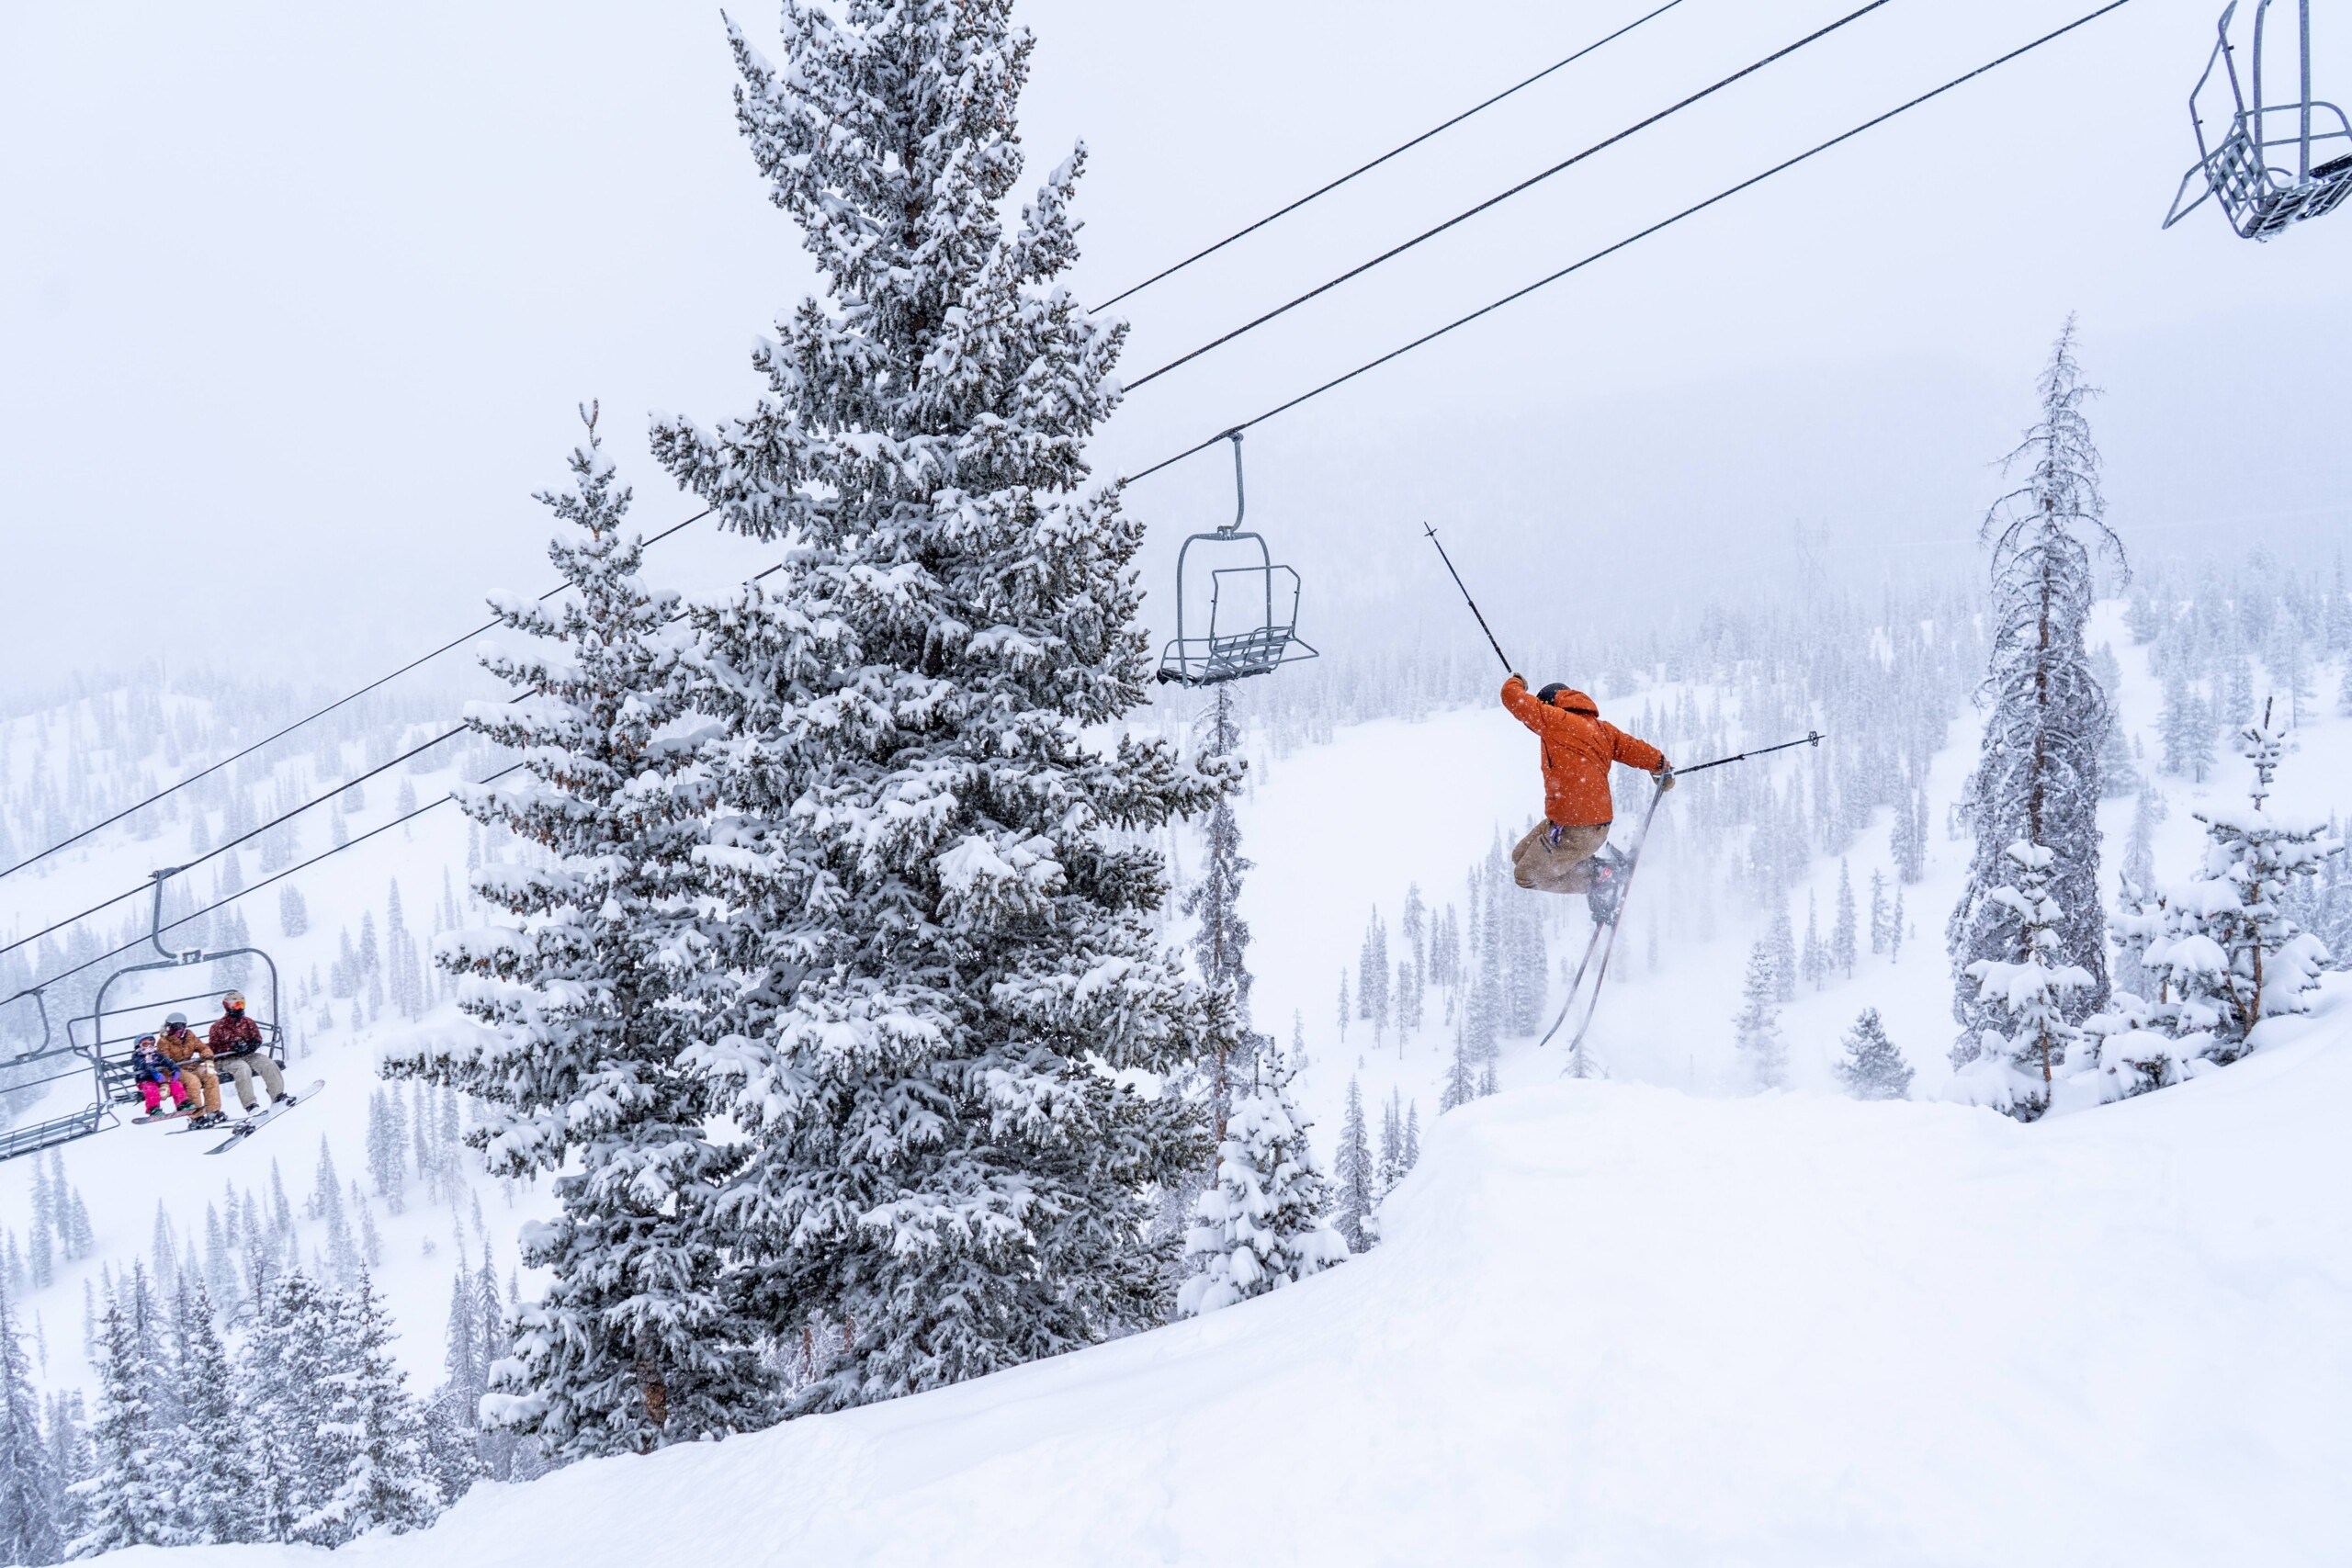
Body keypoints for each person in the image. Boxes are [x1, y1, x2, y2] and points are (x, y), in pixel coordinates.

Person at [1499, 673, 1672, 909]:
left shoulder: (1554, 720)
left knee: (1526, 876)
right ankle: (1597, 869)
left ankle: (1599, 877)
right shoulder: (1601, 730)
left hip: (1578, 828)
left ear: (1549, 704)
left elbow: (1511, 696)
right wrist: (1662, 767)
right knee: (1519, 856)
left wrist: (1517, 681)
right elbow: (1635, 749)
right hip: (1579, 822)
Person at [207, 990, 291, 1115]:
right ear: (227, 1006)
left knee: (267, 1063)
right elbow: (213, 1049)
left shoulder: (247, 1022)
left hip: (247, 1055)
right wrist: (231, 1048)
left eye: (241, 1005)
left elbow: (257, 1038)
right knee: (242, 1068)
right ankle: (250, 1104)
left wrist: (250, 1046)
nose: (239, 1008)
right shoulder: (218, 1027)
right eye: (235, 1005)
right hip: (226, 1060)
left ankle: (277, 1095)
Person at [155, 1012, 226, 1128]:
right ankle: (197, 1116)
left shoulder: (189, 1036)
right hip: (175, 1071)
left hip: (191, 1066)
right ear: (168, 1027)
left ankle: (213, 1111)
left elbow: (203, 1047)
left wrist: (207, 1058)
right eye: (174, 1027)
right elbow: (165, 1061)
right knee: (193, 1082)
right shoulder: (164, 1041)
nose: (178, 1030)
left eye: (180, 1027)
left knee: (211, 1076)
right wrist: (173, 1069)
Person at [129, 1032, 191, 1116]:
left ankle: (182, 1103)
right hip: (145, 1081)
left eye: (151, 1044)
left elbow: (167, 1061)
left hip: (160, 1080)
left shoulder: (157, 1055)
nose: (149, 1047)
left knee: (176, 1084)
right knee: (151, 1089)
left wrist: (175, 1069)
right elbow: (143, 1066)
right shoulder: (137, 1057)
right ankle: (153, 1109)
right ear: (138, 1046)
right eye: (145, 1044)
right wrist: (154, 1073)